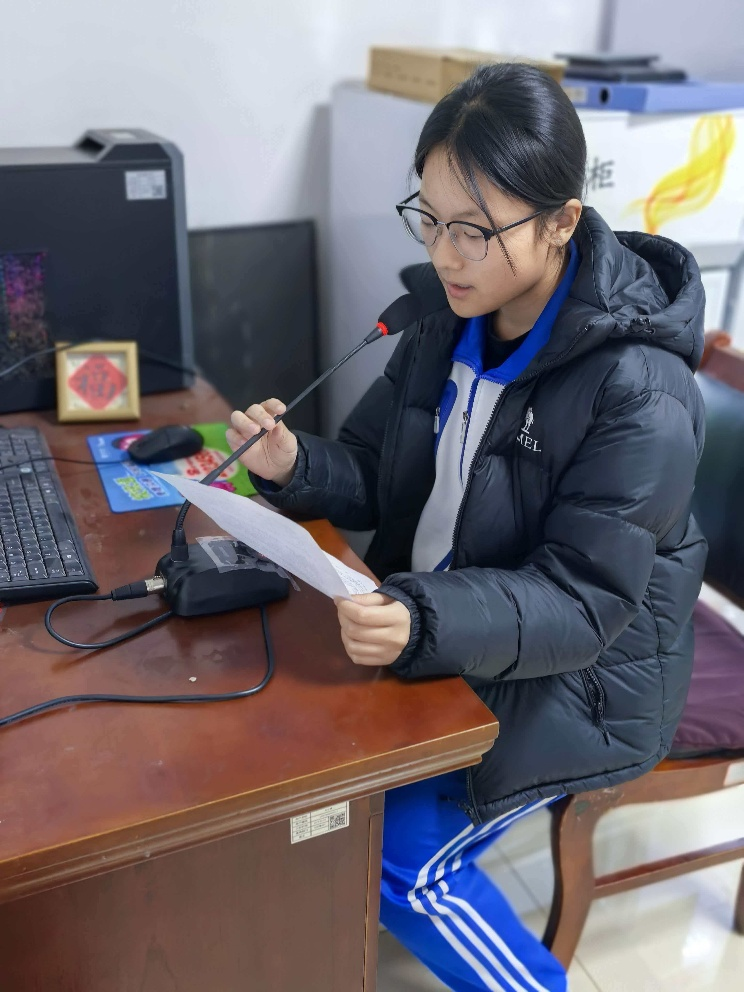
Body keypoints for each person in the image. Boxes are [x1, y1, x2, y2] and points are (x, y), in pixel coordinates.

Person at [226, 63, 707, 992]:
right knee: (278, 757)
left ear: (562, 221)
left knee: (399, 863)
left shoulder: (639, 388)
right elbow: (374, 471)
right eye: (431, 218)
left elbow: (583, 602)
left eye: (476, 231)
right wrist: (294, 464)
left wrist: (422, 618)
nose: (446, 256)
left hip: (585, 678)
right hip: (454, 629)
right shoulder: (443, 320)